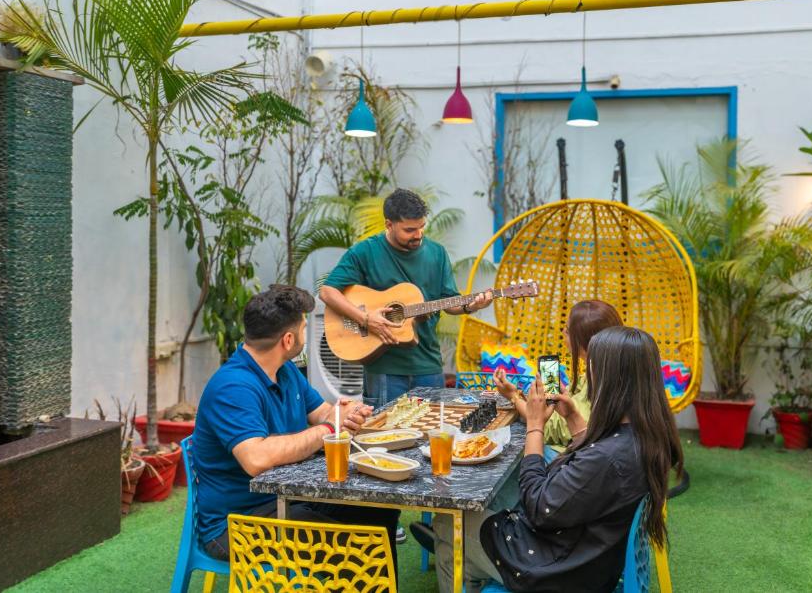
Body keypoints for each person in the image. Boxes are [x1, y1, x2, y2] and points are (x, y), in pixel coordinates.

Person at [440, 326, 684, 593]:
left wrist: (535, 425)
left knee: (448, 520)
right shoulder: (650, 435)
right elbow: (600, 464)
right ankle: (475, 573)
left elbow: (538, 507)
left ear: (611, 379)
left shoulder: (608, 458)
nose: (589, 374)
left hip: (561, 571)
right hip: (595, 558)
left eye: (593, 367)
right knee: (493, 506)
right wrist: (573, 418)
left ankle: (471, 575)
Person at [192, 284, 400, 564]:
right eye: (304, 328)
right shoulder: (233, 387)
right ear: (288, 340)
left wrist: (346, 414)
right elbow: (256, 458)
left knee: (378, 510)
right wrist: (329, 429)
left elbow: (323, 412)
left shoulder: (285, 369)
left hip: (288, 497)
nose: (306, 335)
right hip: (238, 523)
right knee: (356, 543)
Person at [319, 188, 492, 408]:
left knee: (430, 434)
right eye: (409, 230)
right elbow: (328, 292)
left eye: (421, 227)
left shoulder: (437, 253)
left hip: (428, 365)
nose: (418, 235)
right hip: (384, 370)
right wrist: (365, 318)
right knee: (382, 435)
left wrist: (471, 307)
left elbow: (450, 301)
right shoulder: (365, 252)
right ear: (389, 225)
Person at [494, 299, 622, 452]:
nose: (562, 332)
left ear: (583, 340)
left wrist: (513, 396)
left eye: (567, 330)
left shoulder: (598, 379)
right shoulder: (602, 368)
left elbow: (546, 428)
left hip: (570, 457)